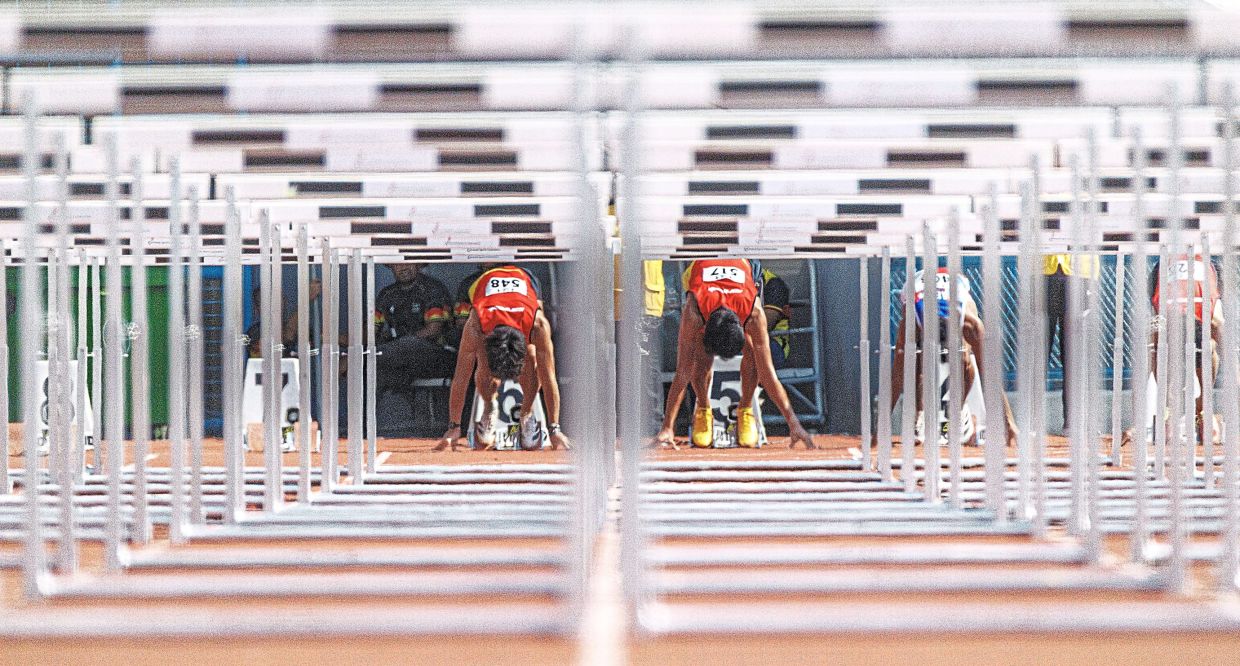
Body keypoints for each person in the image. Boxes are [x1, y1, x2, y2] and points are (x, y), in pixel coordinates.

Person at [653, 259, 813, 449]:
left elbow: (768, 374)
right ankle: (703, 408)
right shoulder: (694, 311)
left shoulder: (754, 313)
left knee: (754, 354)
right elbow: (683, 372)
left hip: (741, 269)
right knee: (700, 358)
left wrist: (794, 424)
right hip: (701, 271)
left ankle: (745, 409)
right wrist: (667, 428)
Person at [436, 264, 569, 451]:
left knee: (531, 357)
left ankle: (527, 412)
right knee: (483, 361)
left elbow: (548, 377)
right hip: (485, 286)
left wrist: (555, 428)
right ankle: (489, 407)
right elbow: (461, 377)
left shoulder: (538, 326)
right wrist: (454, 427)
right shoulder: (476, 326)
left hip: (524, 280)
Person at [889, 267, 1017, 448]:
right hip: (917, 286)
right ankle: (920, 416)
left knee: (965, 360)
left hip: (955, 285)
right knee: (915, 360)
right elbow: (897, 375)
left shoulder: (971, 324)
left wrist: (1009, 424)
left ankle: (955, 414)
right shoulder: (912, 321)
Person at [1136, 253, 1223, 445]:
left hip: (1202, 307)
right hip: (1171, 312)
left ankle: (1203, 410)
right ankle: (1170, 410)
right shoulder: (1161, 272)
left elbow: (1218, 324)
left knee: (1210, 341)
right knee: (1158, 341)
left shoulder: (1210, 270)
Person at [374, 263, 456, 394]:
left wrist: (394, 346)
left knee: (407, 344)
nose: (403, 267)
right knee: (372, 369)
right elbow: (371, 331)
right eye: (397, 264)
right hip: (403, 359)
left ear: (418, 265)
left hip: (438, 354)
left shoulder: (432, 288)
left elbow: (433, 330)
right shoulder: (387, 294)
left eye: (409, 262)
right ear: (391, 267)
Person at [1044, 253, 1098, 431]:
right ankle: (1033, 421)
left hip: (1079, 269)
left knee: (1073, 355)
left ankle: (1072, 421)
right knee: (1038, 353)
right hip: (1041, 268)